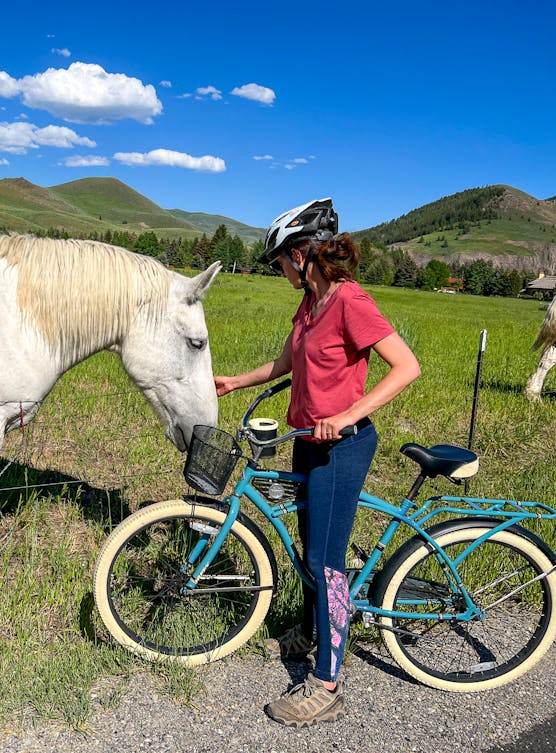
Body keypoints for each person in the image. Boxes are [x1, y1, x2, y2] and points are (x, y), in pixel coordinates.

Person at [214, 198, 420, 728]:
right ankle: (311, 631)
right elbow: (287, 362)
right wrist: (236, 382)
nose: (280, 269)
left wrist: (349, 414)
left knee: (328, 561)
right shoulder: (308, 305)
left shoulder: (351, 301)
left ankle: (327, 683)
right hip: (308, 439)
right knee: (311, 546)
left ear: (304, 255)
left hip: (342, 446)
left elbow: (406, 367)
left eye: (282, 260)